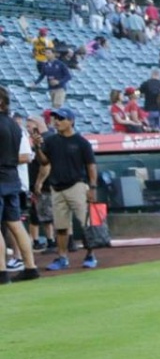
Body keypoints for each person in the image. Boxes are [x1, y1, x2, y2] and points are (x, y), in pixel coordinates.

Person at [34, 108, 97, 271]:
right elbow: (44, 162)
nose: (57, 121)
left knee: (84, 224)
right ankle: (62, 257)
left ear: (71, 121)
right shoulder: (51, 141)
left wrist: (92, 187)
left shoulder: (81, 142)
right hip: (57, 187)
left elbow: (91, 167)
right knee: (61, 227)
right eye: (56, 119)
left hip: (77, 185)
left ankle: (90, 255)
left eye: (61, 118)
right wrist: (37, 147)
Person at [0, 87, 36, 283]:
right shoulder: (15, 126)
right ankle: (30, 267)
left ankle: (2, 272)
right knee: (16, 224)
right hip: (12, 178)